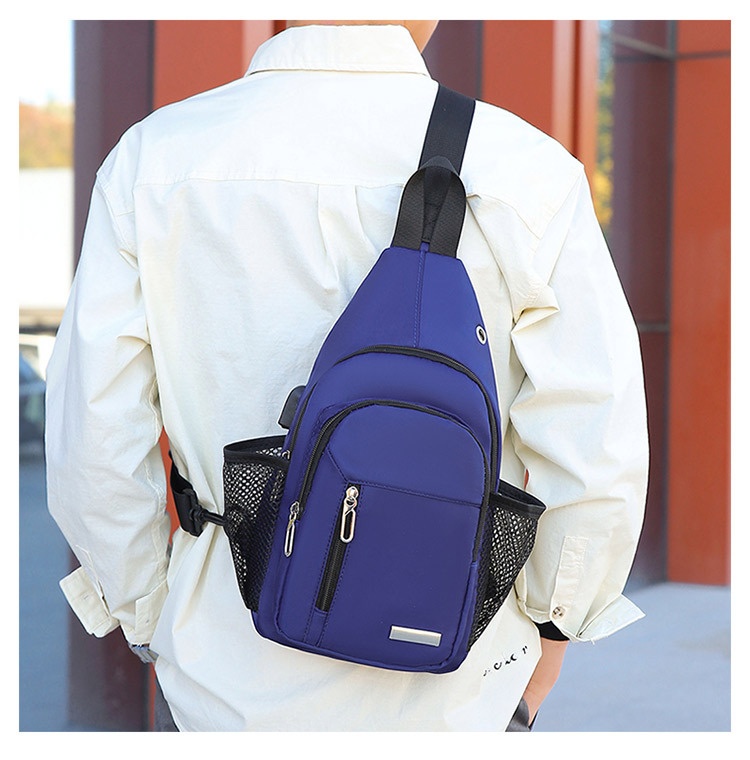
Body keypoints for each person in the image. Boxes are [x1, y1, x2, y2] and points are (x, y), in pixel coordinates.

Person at [45, 20, 649, 732]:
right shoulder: (526, 171)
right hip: (459, 678)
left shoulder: (153, 160)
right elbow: (594, 442)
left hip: (225, 672)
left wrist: (149, 611)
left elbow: (95, 439)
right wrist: (554, 626)